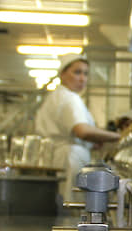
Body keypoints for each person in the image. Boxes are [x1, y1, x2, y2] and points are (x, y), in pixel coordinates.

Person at [34, 53, 119, 202]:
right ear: (62, 74)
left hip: (58, 157)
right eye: (77, 72)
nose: (82, 78)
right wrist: (118, 136)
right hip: (69, 158)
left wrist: (92, 142)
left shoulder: (57, 96)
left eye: (86, 74)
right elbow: (82, 131)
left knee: (62, 201)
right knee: (71, 203)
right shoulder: (69, 97)